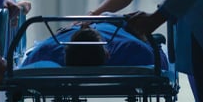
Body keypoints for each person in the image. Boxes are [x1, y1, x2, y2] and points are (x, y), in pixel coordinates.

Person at [19, 22, 168, 69]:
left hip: (111, 25)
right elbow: (161, 62)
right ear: (108, 54)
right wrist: (146, 39)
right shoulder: (131, 48)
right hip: (119, 27)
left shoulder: (47, 50)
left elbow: (24, 65)